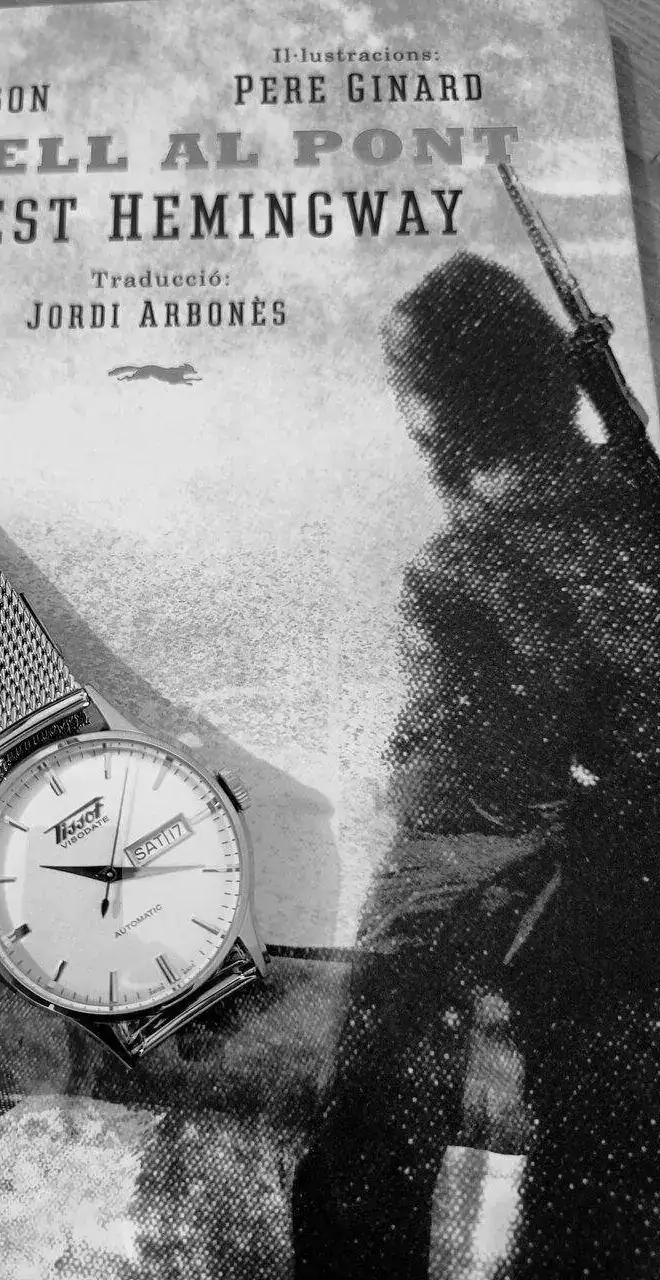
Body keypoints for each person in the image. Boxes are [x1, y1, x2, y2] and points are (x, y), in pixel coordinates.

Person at [292, 252, 660, 1277]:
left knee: (380, 1052)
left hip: (591, 910)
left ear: (431, 418)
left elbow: (464, 809)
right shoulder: (639, 507)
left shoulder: (469, 571)